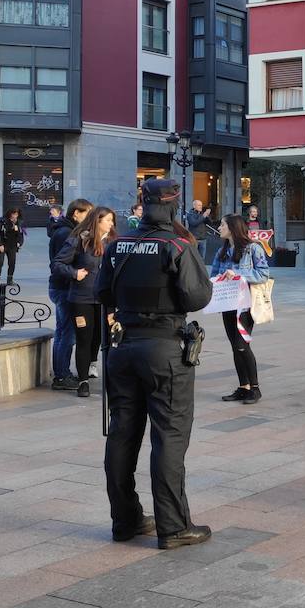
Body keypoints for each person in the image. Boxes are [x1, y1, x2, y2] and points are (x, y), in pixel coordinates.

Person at [97, 178, 213, 550]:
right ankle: (174, 526)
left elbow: (101, 293)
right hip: (164, 348)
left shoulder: (118, 245)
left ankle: (125, 520)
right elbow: (196, 297)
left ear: (142, 205)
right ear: (174, 207)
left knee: (122, 434)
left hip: (124, 345)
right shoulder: (177, 245)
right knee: (169, 437)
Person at [53, 206, 116, 398]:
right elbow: (57, 263)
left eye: (112, 221)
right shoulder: (80, 240)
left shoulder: (114, 242)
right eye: (108, 220)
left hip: (106, 300)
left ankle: (111, 381)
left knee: (105, 340)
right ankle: (83, 381)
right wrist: (74, 273)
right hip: (82, 298)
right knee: (84, 339)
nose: (111, 224)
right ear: (97, 221)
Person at [211, 214, 271, 405]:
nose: (219, 228)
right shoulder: (221, 251)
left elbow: (263, 274)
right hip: (227, 304)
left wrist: (236, 274)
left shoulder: (253, 248)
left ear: (233, 228)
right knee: (234, 345)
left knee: (241, 343)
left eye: (222, 225)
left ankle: (255, 388)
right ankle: (243, 386)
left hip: (245, 305)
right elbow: (213, 275)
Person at [48, 198, 92, 391]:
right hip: (64, 287)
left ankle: (61, 373)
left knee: (63, 332)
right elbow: (58, 264)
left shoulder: (65, 230)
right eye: (87, 213)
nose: (90, 217)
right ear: (76, 213)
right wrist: (75, 273)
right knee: (67, 333)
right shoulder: (66, 233)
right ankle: (62, 375)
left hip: (61, 286)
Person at [0, 207, 25, 284]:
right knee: (0, 262)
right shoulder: (2, 220)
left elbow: (21, 234)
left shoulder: (19, 222)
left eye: (16, 214)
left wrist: (19, 243)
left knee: (12, 262)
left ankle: (10, 280)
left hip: (12, 245)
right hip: (2, 244)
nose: (14, 216)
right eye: (13, 214)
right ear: (9, 213)